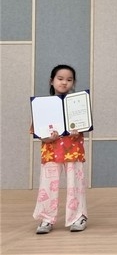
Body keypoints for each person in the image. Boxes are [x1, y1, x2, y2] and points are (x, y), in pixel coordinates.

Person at [31, 65, 88, 234]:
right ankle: (46, 218)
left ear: (73, 83)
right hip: (51, 150)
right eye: (60, 79)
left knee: (75, 184)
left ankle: (78, 217)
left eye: (69, 80)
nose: (64, 83)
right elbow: (38, 132)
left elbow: (84, 126)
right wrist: (48, 137)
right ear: (52, 81)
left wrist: (79, 130)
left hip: (73, 149)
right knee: (48, 185)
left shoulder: (79, 104)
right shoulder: (42, 105)